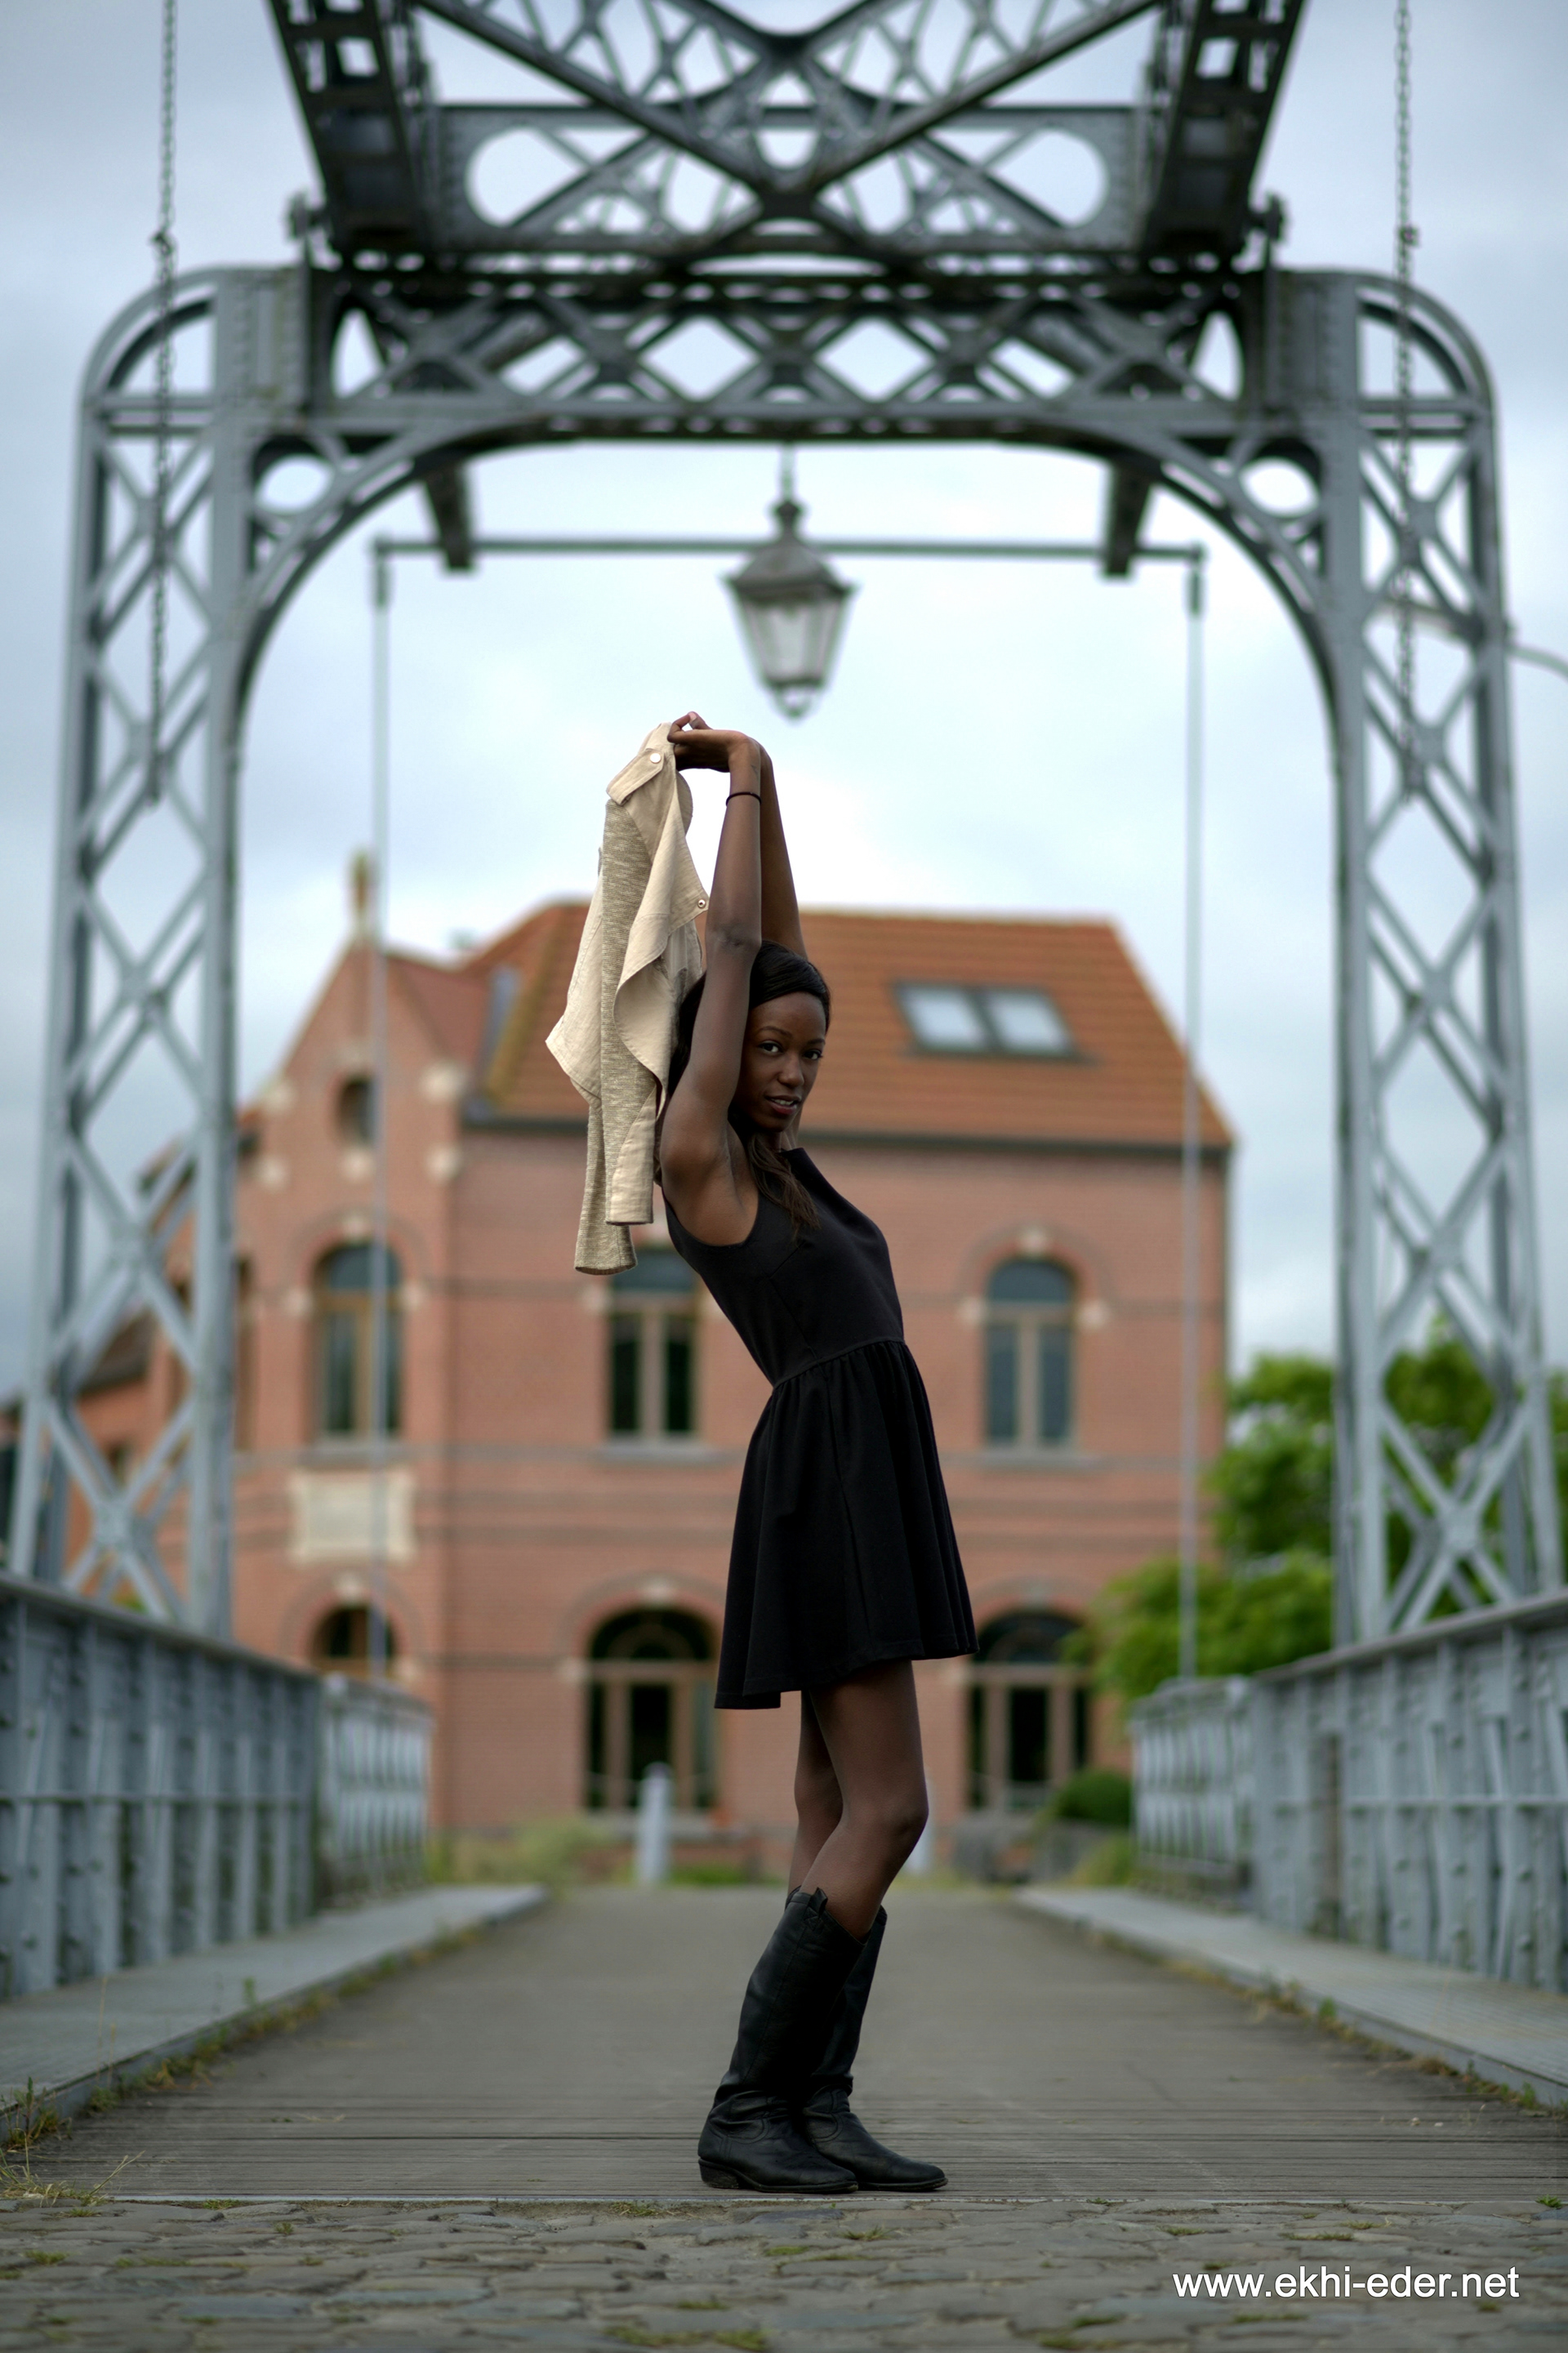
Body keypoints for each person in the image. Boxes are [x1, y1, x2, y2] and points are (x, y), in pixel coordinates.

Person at [656, 714, 975, 2195]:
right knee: (895, 1810)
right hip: (831, 1484)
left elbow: (775, 951)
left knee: (831, 1810)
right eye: (769, 1052)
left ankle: (813, 2108)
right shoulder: (702, 1160)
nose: (790, 1072)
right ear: (716, 1057)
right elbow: (734, 951)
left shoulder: (785, 1166)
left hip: (856, 1476)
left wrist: (771, 789)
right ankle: (746, 2110)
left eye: (809, 1055)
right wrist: (739, 785)